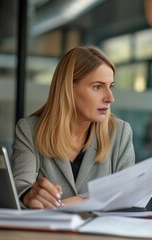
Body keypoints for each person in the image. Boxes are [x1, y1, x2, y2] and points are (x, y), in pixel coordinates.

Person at [12, 46, 135, 209]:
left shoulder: (120, 132)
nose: (110, 98)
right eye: (97, 87)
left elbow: (129, 198)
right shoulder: (29, 129)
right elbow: (19, 186)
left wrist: (80, 201)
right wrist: (29, 195)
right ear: (68, 89)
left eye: (110, 86)